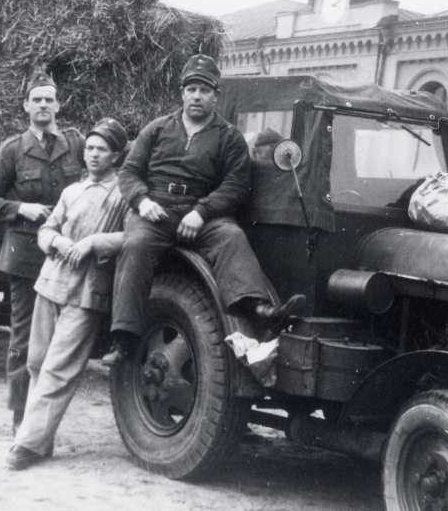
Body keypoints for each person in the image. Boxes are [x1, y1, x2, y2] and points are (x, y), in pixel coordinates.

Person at [102, 54, 305, 364]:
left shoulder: (230, 137)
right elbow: (128, 173)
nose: (197, 96)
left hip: (201, 214)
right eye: (191, 89)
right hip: (156, 210)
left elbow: (236, 185)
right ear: (182, 92)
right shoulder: (156, 130)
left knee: (232, 238)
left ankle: (258, 310)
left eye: (205, 90)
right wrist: (143, 201)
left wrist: (202, 212)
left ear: (216, 96)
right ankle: (124, 338)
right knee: (136, 244)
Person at [6, 118, 129, 471]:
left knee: (58, 369)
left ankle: (28, 445)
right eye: (89, 148)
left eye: (101, 150)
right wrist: (56, 240)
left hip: (87, 291)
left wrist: (93, 243)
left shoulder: (123, 194)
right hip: (50, 283)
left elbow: (133, 237)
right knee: (35, 361)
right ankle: (37, 438)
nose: (92, 155)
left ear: (116, 156)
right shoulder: (71, 191)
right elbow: (46, 228)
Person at [0, 71, 85, 431]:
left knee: (65, 338)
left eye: (49, 99)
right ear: (26, 106)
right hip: (26, 258)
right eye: (36, 99)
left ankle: (48, 418)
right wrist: (20, 209)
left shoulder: (76, 144)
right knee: (23, 338)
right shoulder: (12, 150)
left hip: (67, 256)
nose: (43, 105)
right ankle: (20, 415)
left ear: (58, 105)